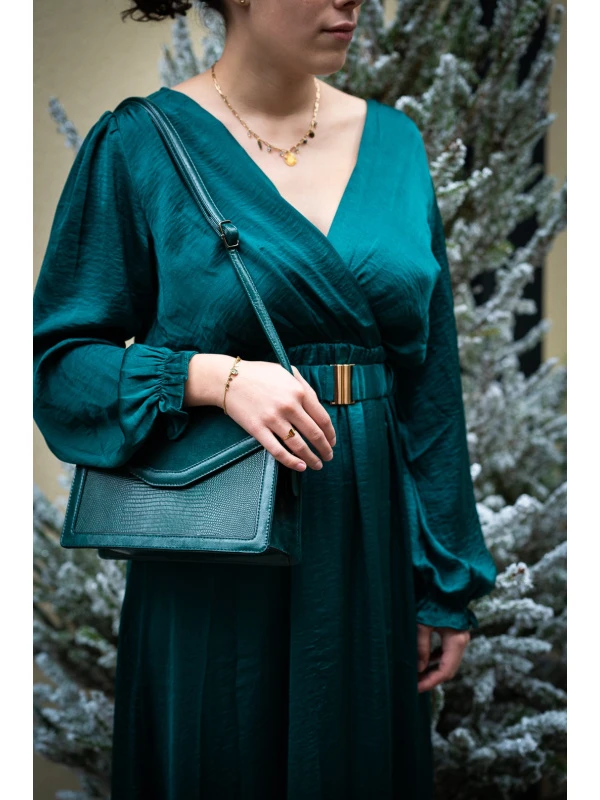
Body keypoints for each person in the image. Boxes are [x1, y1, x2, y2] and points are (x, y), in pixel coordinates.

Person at [33, 0, 498, 797]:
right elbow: (60, 367)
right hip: (216, 546)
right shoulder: (141, 144)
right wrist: (215, 378)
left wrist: (446, 582)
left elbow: (429, 387)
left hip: (366, 542)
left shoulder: (396, 144)